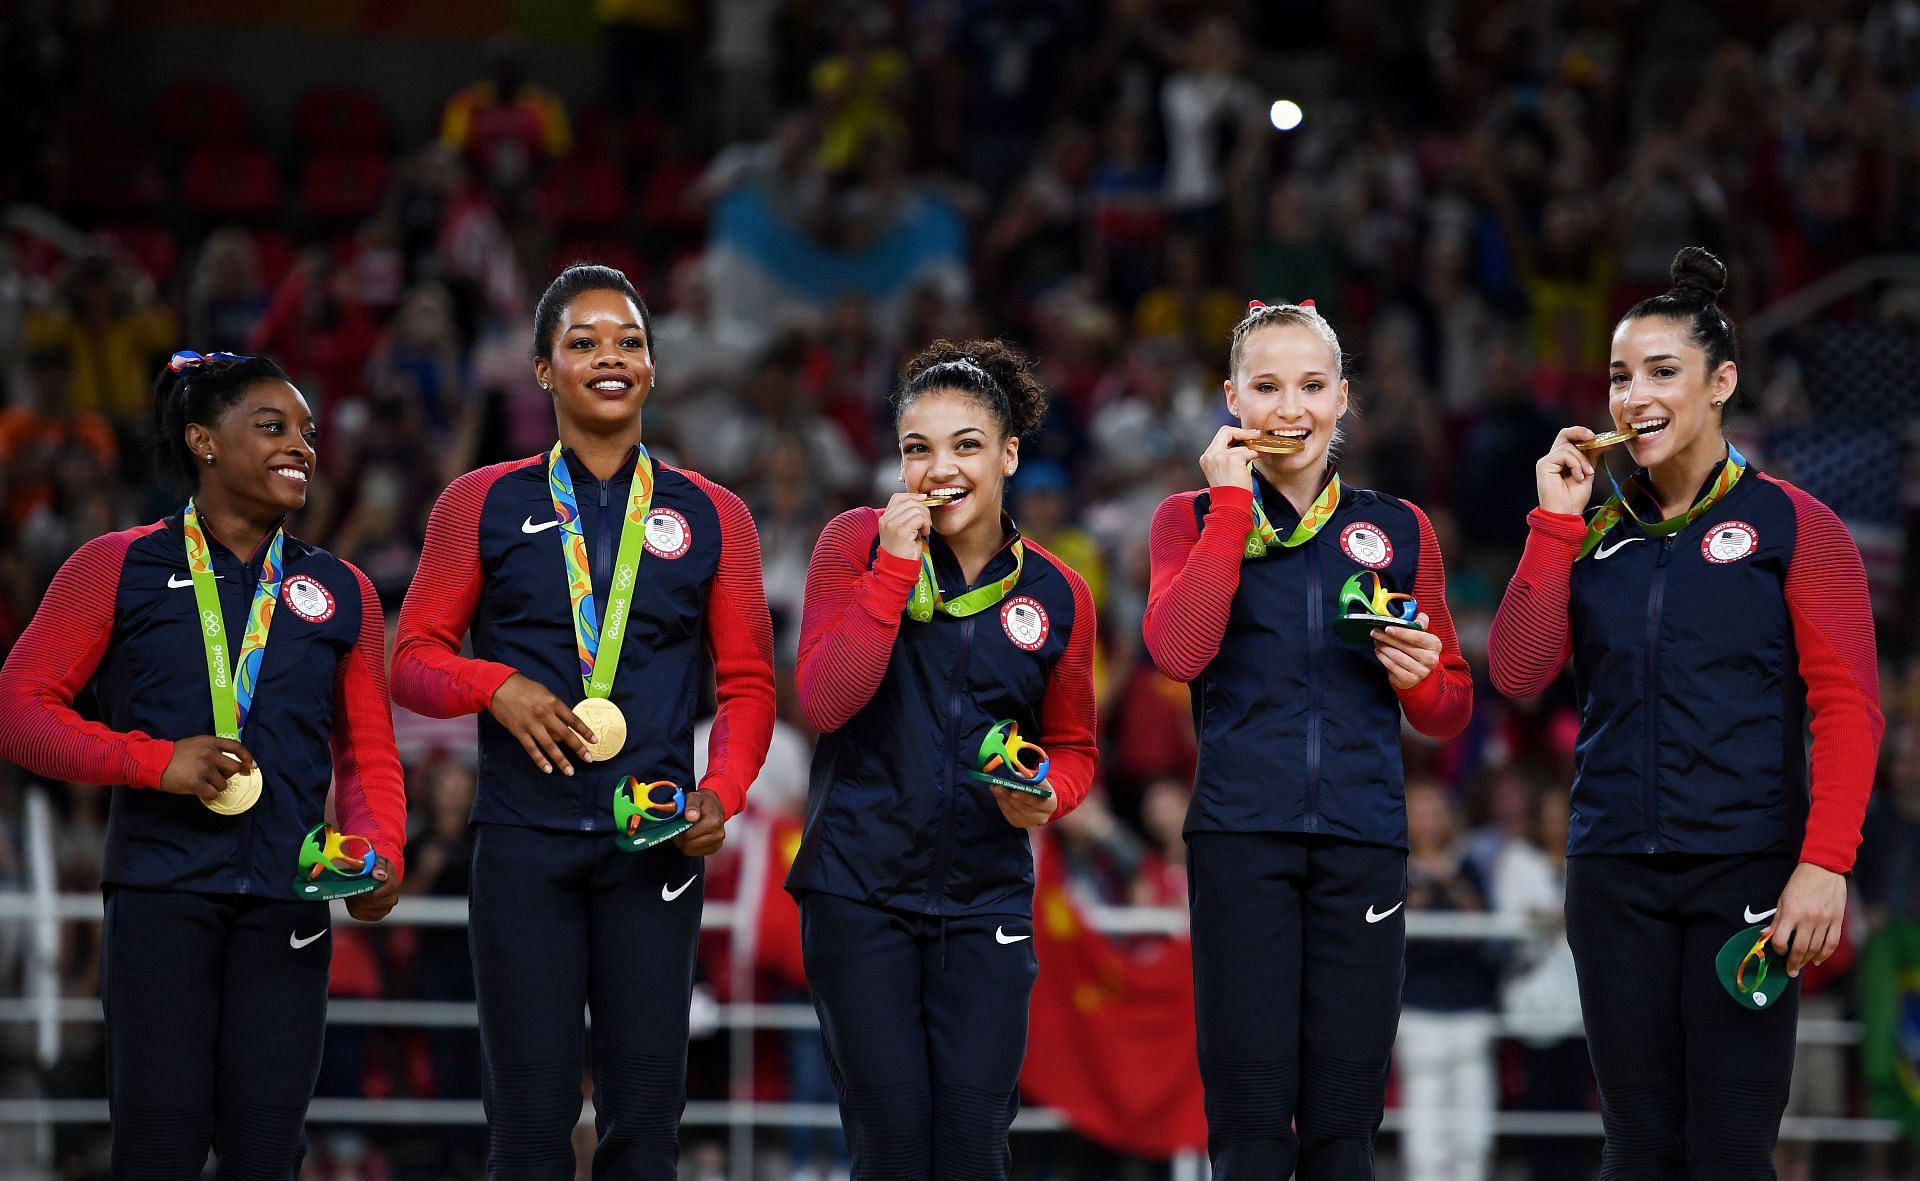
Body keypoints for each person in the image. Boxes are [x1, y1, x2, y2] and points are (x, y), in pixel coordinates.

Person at [1489, 246, 1883, 1176]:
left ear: (1722, 384)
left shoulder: (1796, 524)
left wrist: (1824, 864)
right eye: (1622, 376)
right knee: (1636, 1144)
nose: (1634, 396)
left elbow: (1848, 708)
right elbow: (1516, 670)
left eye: (1664, 372)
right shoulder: (1590, 531)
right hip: (1613, 874)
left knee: (1733, 1149)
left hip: (1746, 877)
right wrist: (1552, 523)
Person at [391, 263, 776, 1178]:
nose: (611, 357)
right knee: (528, 1128)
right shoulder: (478, 502)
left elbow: (752, 684)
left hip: (653, 844)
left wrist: (720, 791)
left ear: (652, 367)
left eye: (630, 342)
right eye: (584, 342)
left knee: (645, 1127)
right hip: (523, 845)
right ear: (541, 370)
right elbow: (412, 660)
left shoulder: (714, 514)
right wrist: (497, 687)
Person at [0, 349, 406, 1177]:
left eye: (307, 431)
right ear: (203, 441)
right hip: (162, 892)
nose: (301, 446)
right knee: (158, 1152)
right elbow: (18, 709)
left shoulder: (346, 591)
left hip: (288, 902)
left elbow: (367, 753)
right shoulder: (114, 565)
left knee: (267, 1155)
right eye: (272, 427)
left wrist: (381, 850)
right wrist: (152, 763)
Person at [1142, 299, 1473, 1178]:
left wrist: (1421, 680)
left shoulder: (1399, 527)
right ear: (1231, 400)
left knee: (1341, 1133)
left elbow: (1450, 709)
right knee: (1249, 1128)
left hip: (1363, 841)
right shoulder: (1188, 517)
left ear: (1343, 399)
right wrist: (1226, 509)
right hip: (1241, 839)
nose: (1290, 407)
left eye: (1311, 385)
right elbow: (1177, 651)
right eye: (1267, 386)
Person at [788, 339, 1097, 1178]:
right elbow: (824, 701)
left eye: (966, 444)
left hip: (983, 896)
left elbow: (1073, 747)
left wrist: (1049, 795)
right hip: (858, 888)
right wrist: (892, 567)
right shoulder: (854, 542)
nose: (941, 467)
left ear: (1009, 455)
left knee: (970, 1144)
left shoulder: (1059, 593)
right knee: (891, 1141)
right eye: (917, 448)